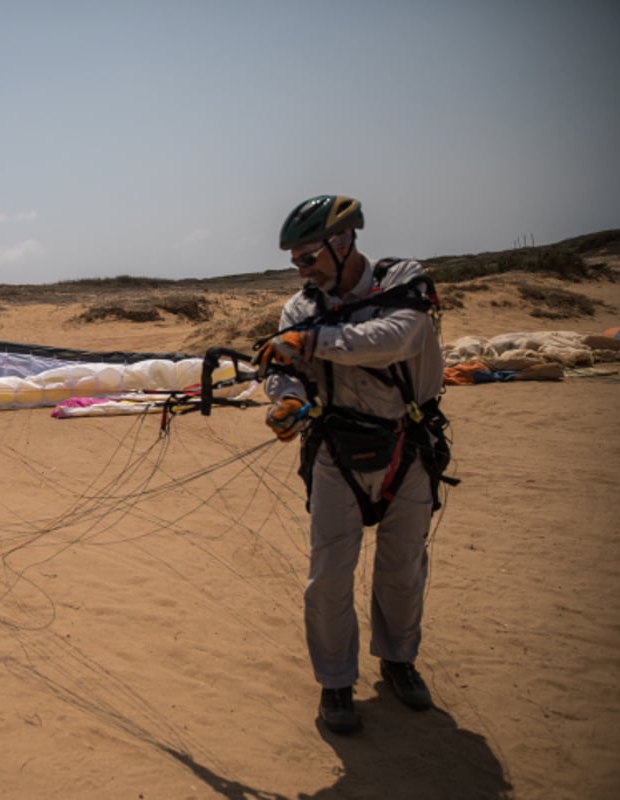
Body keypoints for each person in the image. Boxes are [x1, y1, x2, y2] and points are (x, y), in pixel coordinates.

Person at [255, 195, 450, 734]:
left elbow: (395, 340)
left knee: (402, 566)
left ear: (344, 242)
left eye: (309, 255)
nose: (302, 269)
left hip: (408, 446)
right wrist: (287, 398)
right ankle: (336, 683)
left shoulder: (402, 281)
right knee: (328, 576)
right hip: (335, 452)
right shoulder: (300, 308)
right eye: (295, 260)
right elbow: (283, 364)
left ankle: (398, 660)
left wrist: (313, 341)